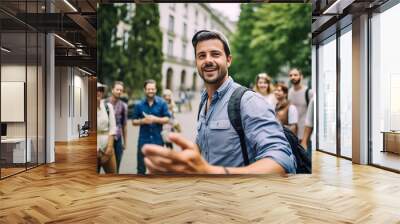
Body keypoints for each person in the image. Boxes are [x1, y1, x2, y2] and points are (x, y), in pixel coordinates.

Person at [142, 30, 296, 175]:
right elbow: (203, 146)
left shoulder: (248, 101)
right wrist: (181, 164)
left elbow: (283, 160)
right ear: (196, 62)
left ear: (228, 60)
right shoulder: (204, 101)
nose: (208, 60)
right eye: (201, 56)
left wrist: (211, 173)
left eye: (215, 54)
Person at [131, 80, 171, 175]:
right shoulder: (139, 105)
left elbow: (167, 119)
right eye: (148, 89)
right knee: (141, 170)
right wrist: (143, 121)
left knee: (158, 169)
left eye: (152, 89)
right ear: (145, 90)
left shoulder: (162, 103)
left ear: (156, 90)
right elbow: (133, 121)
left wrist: (155, 119)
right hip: (143, 141)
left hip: (158, 141)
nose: (151, 91)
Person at [106, 81, 128, 173]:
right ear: (112, 90)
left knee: (116, 168)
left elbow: (124, 125)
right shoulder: (104, 103)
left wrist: (125, 142)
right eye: (117, 89)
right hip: (106, 138)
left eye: (121, 90)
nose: (119, 91)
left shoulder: (123, 106)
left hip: (118, 139)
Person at [288, 68, 313, 143]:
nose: (293, 77)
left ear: (301, 76)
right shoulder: (290, 92)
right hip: (293, 134)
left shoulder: (309, 92)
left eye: (295, 75)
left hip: (306, 136)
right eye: (291, 75)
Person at [97, 83, 117, 174]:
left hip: (107, 147)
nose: (98, 92)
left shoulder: (108, 107)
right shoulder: (86, 108)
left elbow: (112, 128)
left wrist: (109, 148)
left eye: (101, 90)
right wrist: (97, 150)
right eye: (96, 89)